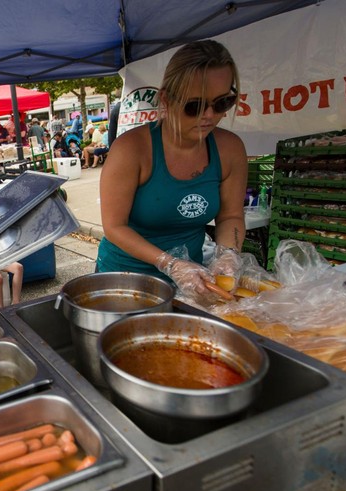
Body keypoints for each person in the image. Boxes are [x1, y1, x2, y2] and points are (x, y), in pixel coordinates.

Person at [97, 39, 248, 304]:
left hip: (194, 282)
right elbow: (114, 227)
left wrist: (228, 254)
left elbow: (231, 215)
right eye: (195, 106)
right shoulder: (131, 149)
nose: (210, 115)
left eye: (222, 102)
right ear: (166, 99)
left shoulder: (230, 149)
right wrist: (170, 264)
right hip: (126, 279)